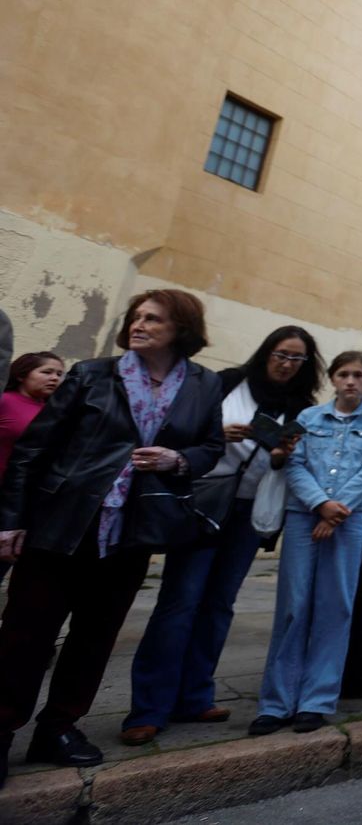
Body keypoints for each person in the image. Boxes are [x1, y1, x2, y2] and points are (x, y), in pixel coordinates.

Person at [0, 290, 225, 783]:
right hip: (62, 523)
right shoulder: (92, 374)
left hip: (133, 532)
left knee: (95, 637)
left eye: (153, 318)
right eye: (136, 317)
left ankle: (58, 727)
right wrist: (11, 519)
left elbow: (210, 446)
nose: (139, 324)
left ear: (181, 328)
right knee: (25, 635)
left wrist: (177, 460)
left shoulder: (204, 385)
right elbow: (34, 449)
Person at [122, 327, 323, 745]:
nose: (286, 364)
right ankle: (149, 708)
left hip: (251, 511)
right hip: (205, 503)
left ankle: (195, 696)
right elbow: (183, 431)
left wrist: (283, 454)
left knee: (218, 604)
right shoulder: (226, 383)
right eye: (281, 354)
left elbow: (294, 462)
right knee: (180, 601)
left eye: (297, 359)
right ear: (265, 353)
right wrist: (220, 435)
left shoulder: (302, 408)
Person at [251, 351, 362, 735]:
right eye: (343, 374)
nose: (350, 381)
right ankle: (276, 703)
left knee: (335, 606)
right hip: (303, 517)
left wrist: (336, 510)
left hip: (349, 520)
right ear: (332, 378)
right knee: (293, 606)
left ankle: (316, 700)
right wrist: (320, 504)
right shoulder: (309, 418)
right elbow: (294, 464)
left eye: (358, 375)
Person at [0, 352, 65, 480]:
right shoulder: (4, 400)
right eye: (47, 372)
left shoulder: (55, 411)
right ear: (21, 375)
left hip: (21, 489)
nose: (55, 378)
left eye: (59, 374)